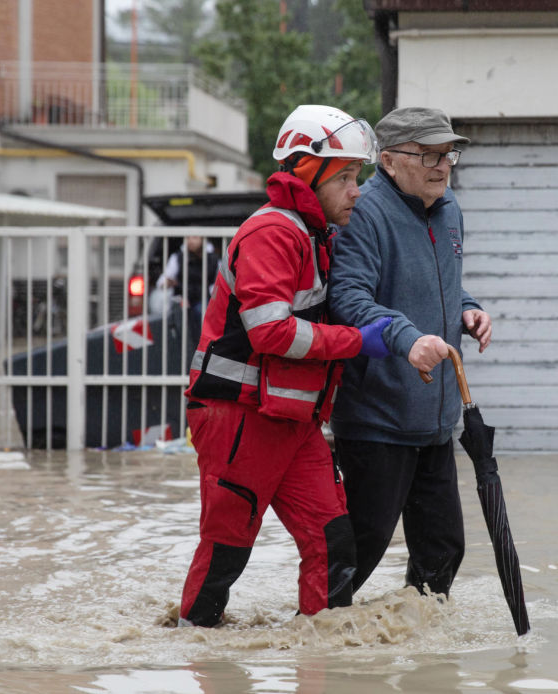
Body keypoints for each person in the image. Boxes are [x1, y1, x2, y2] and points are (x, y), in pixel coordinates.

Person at [177, 105, 392, 627]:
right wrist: (356, 341)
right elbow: (270, 332)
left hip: (290, 422)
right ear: (306, 173)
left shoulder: (313, 234)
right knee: (226, 551)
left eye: (356, 177)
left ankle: (320, 661)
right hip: (239, 418)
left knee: (335, 544)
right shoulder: (273, 233)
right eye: (345, 177)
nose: (356, 191)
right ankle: (195, 658)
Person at [328, 106, 492, 598]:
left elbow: (440, 287)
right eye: (428, 154)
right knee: (360, 551)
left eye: (448, 154)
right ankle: (315, 650)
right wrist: (406, 337)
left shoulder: (449, 209)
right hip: (377, 419)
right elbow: (348, 299)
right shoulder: (364, 212)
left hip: (437, 420)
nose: (442, 165)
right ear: (389, 160)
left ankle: (424, 658)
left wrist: (469, 308)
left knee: (444, 549)